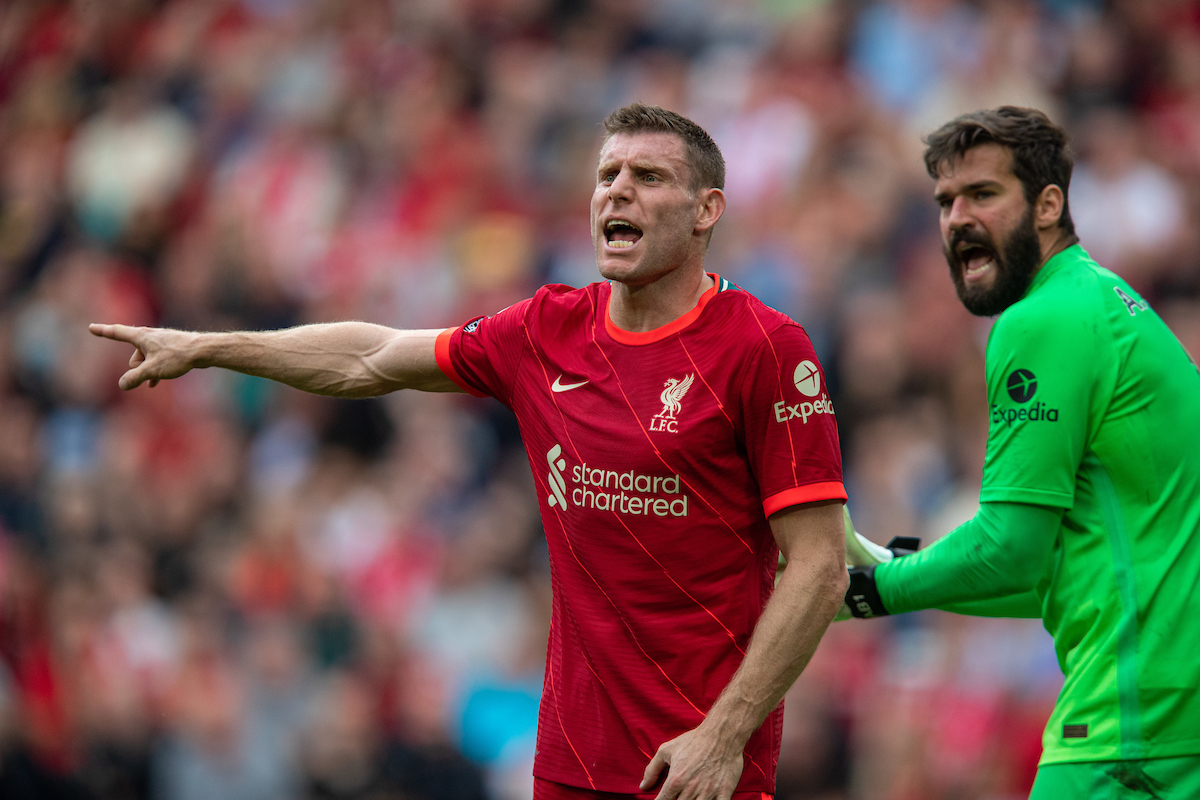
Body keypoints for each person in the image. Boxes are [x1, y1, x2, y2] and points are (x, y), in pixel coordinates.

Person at [91, 104, 850, 800]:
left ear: (706, 210)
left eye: (648, 177)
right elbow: (373, 358)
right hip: (572, 761)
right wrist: (212, 347)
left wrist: (723, 736)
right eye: (606, 175)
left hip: (701, 767)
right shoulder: (546, 330)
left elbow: (817, 567)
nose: (616, 192)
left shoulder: (765, 349)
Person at [842, 106, 1200, 798]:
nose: (956, 219)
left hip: (1129, 728)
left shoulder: (1043, 319)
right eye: (946, 201)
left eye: (983, 194)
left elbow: (1007, 545)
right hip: (1173, 718)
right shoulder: (1106, 302)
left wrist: (865, 592)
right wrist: (896, 569)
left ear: (1048, 204)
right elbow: (1046, 569)